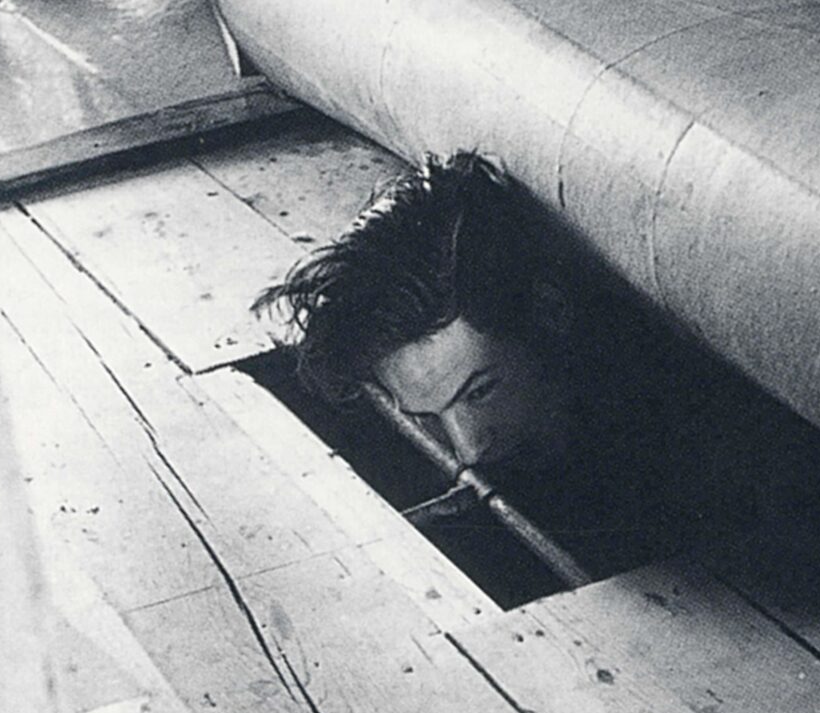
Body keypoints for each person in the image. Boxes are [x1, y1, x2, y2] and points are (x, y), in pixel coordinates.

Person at [253, 150, 760, 576]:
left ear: (551, 313)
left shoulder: (711, 428)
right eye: (427, 416)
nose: (469, 449)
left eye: (479, 392)